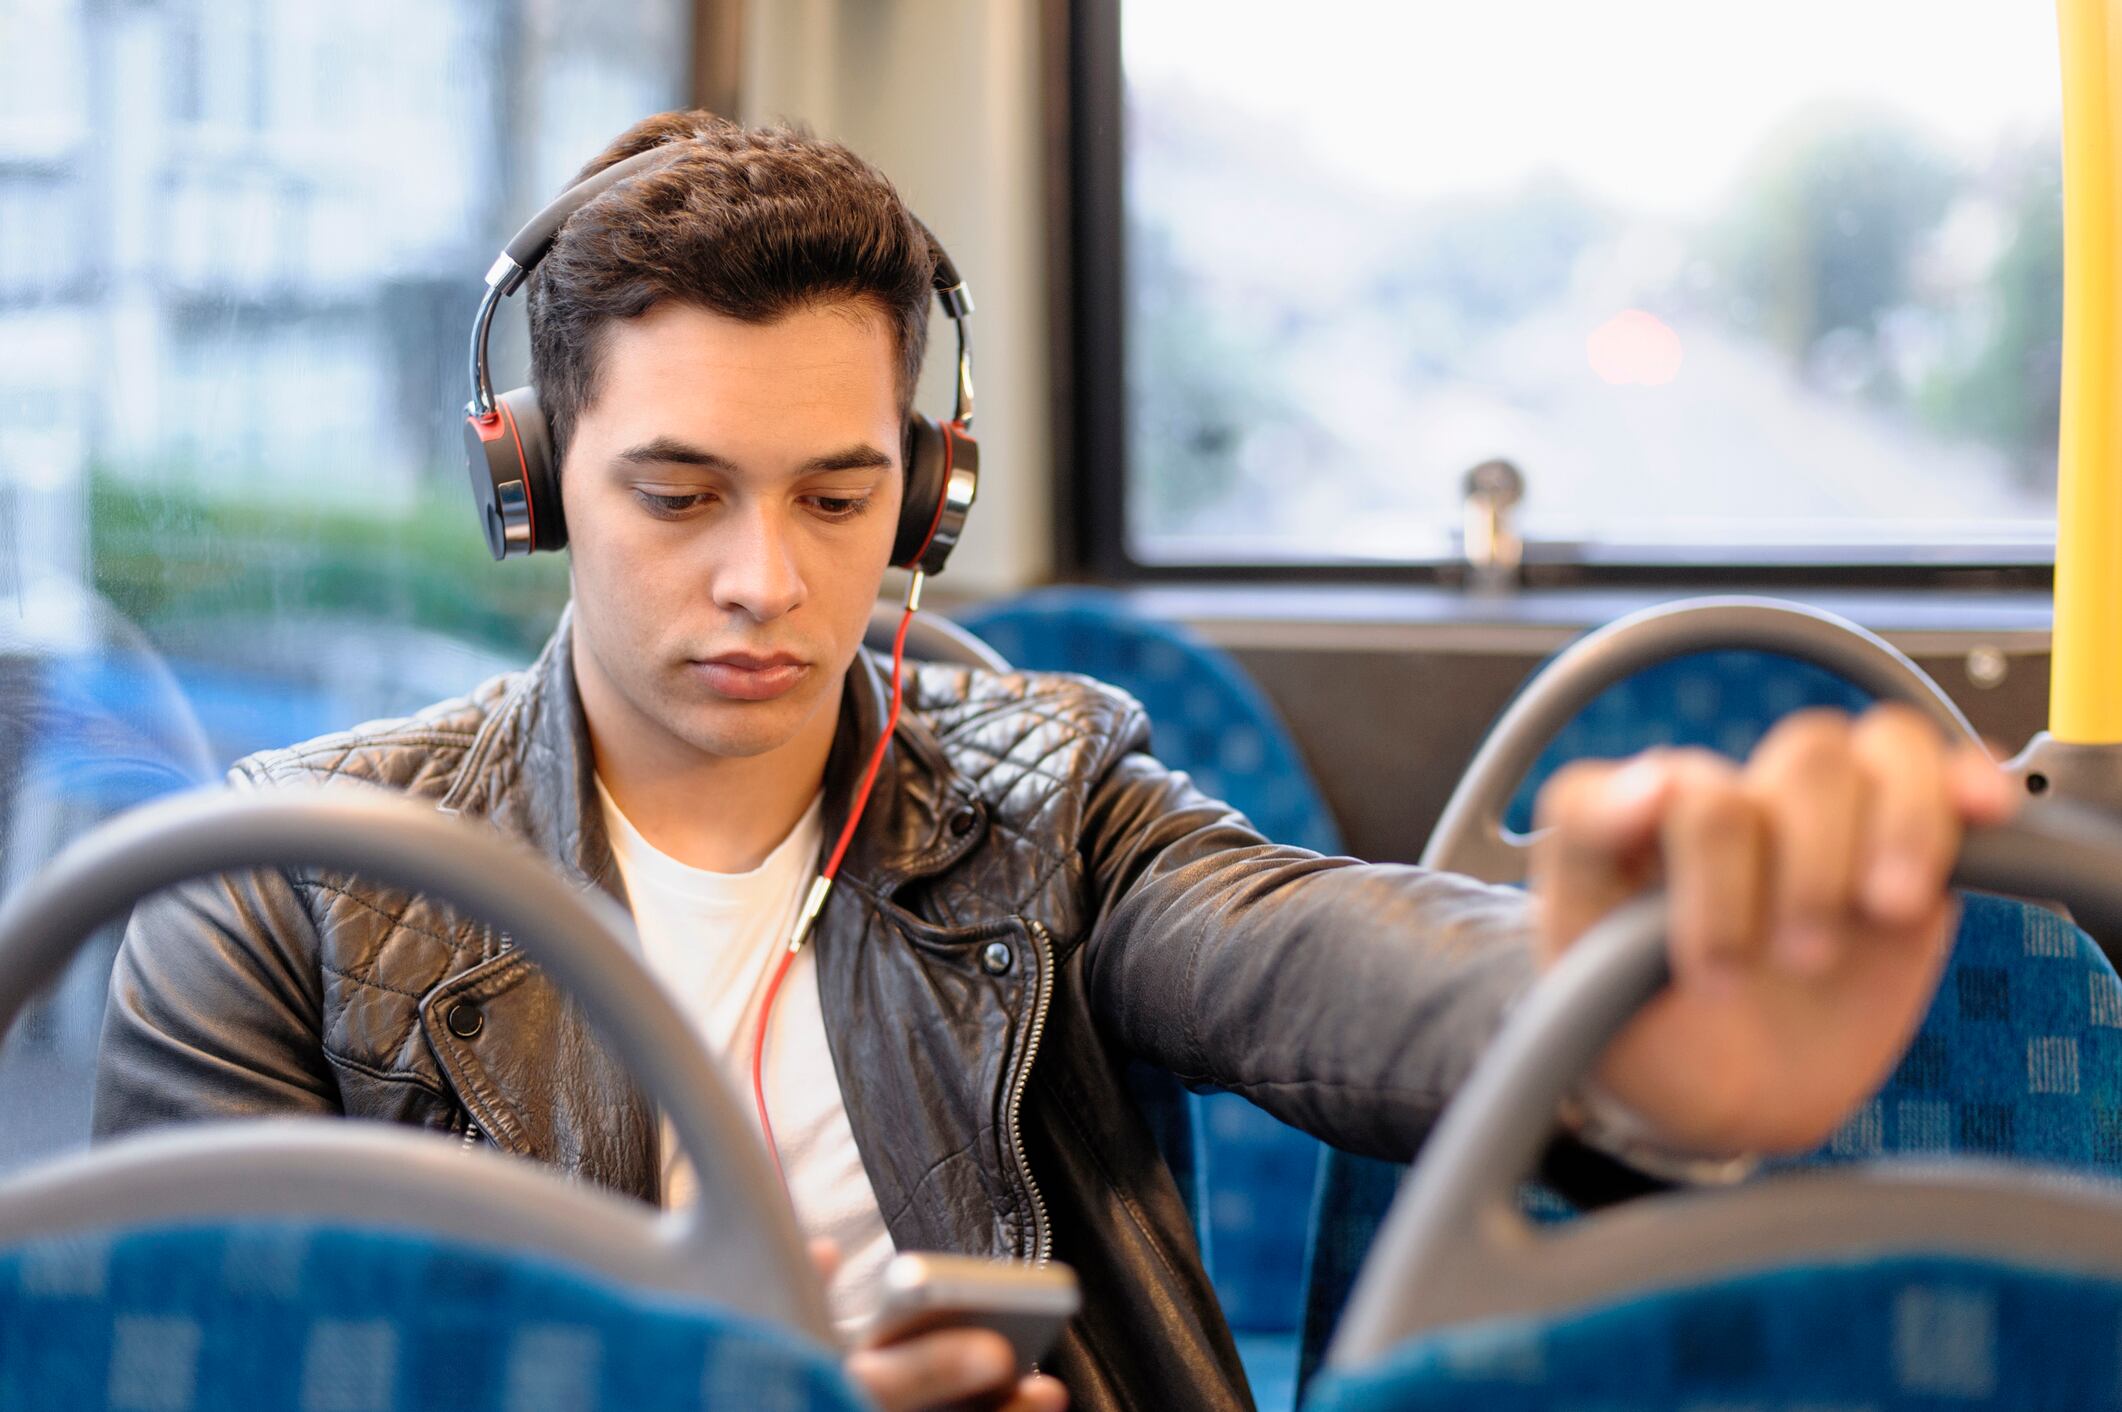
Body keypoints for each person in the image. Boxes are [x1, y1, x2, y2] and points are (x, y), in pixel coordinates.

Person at [92, 111, 2014, 1412]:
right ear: (533, 485)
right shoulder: (290, 887)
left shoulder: (1046, 801)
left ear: (922, 502)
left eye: (839, 496)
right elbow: (190, 1360)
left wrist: (1616, 1026)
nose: (767, 581)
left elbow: (1326, 955)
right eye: (675, 493)